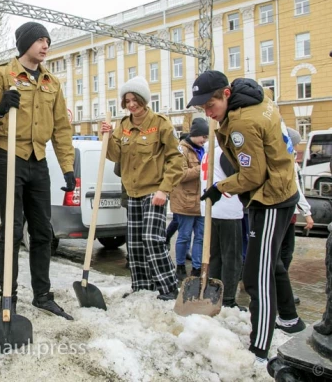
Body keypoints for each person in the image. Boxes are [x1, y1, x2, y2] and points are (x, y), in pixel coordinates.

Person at [191, 70, 303, 365]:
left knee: (256, 276)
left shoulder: (242, 123)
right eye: (202, 107)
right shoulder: (254, 96)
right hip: (280, 189)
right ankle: (290, 319)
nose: (208, 112)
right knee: (273, 263)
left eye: (210, 105)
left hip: (271, 198)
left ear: (226, 94)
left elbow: (253, 174)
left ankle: (260, 346)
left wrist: (219, 188)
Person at [0, 21, 75, 319]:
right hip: (8, 157)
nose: (45, 45)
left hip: (37, 161)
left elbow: (61, 130)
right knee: (13, 229)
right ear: (25, 44)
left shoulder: (51, 83)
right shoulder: (1, 75)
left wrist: (68, 168)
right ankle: (9, 297)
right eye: (40, 40)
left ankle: (42, 295)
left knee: (43, 230)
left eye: (48, 41)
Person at [101, 76, 183, 300]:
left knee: (152, 238)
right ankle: (142, 287)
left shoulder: (160, 124)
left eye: (134, 99)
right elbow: (115, 155)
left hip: (154, 190)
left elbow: (176, 160)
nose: (131, 105)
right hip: (132, 191)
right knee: (135, 242)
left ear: (143, 99)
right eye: (126, 101)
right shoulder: (124, 126)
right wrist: (106, 137)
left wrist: (164, 190)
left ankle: (168, 286)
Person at [200, 136, 246, 311]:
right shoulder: (225, 153)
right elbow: (237, 178)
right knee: (232, 257)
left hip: (212, 209)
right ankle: (227, 298)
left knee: (216, 254)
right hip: (228, 209)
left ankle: (214, 293)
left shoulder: (208, 152)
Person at [171, 118, 208, 280]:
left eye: (206, 137)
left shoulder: (204, 150)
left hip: (201, 201)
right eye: (202, 136)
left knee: (200, 236)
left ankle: (196, 268)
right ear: (195, 134)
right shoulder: (182, 150)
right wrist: (203, 168)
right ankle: (179, 266)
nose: (204, 140)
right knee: (184, 235)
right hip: (185, 201)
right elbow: (181, 175)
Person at [282, 127, 315, 305]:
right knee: (285, 253)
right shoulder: (288, 161)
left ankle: (282, 288)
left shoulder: (290, 159)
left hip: (289, 212)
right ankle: (281, 289)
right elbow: (296, 190)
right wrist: (307, 213)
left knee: (284, 253)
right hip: (288, 211)